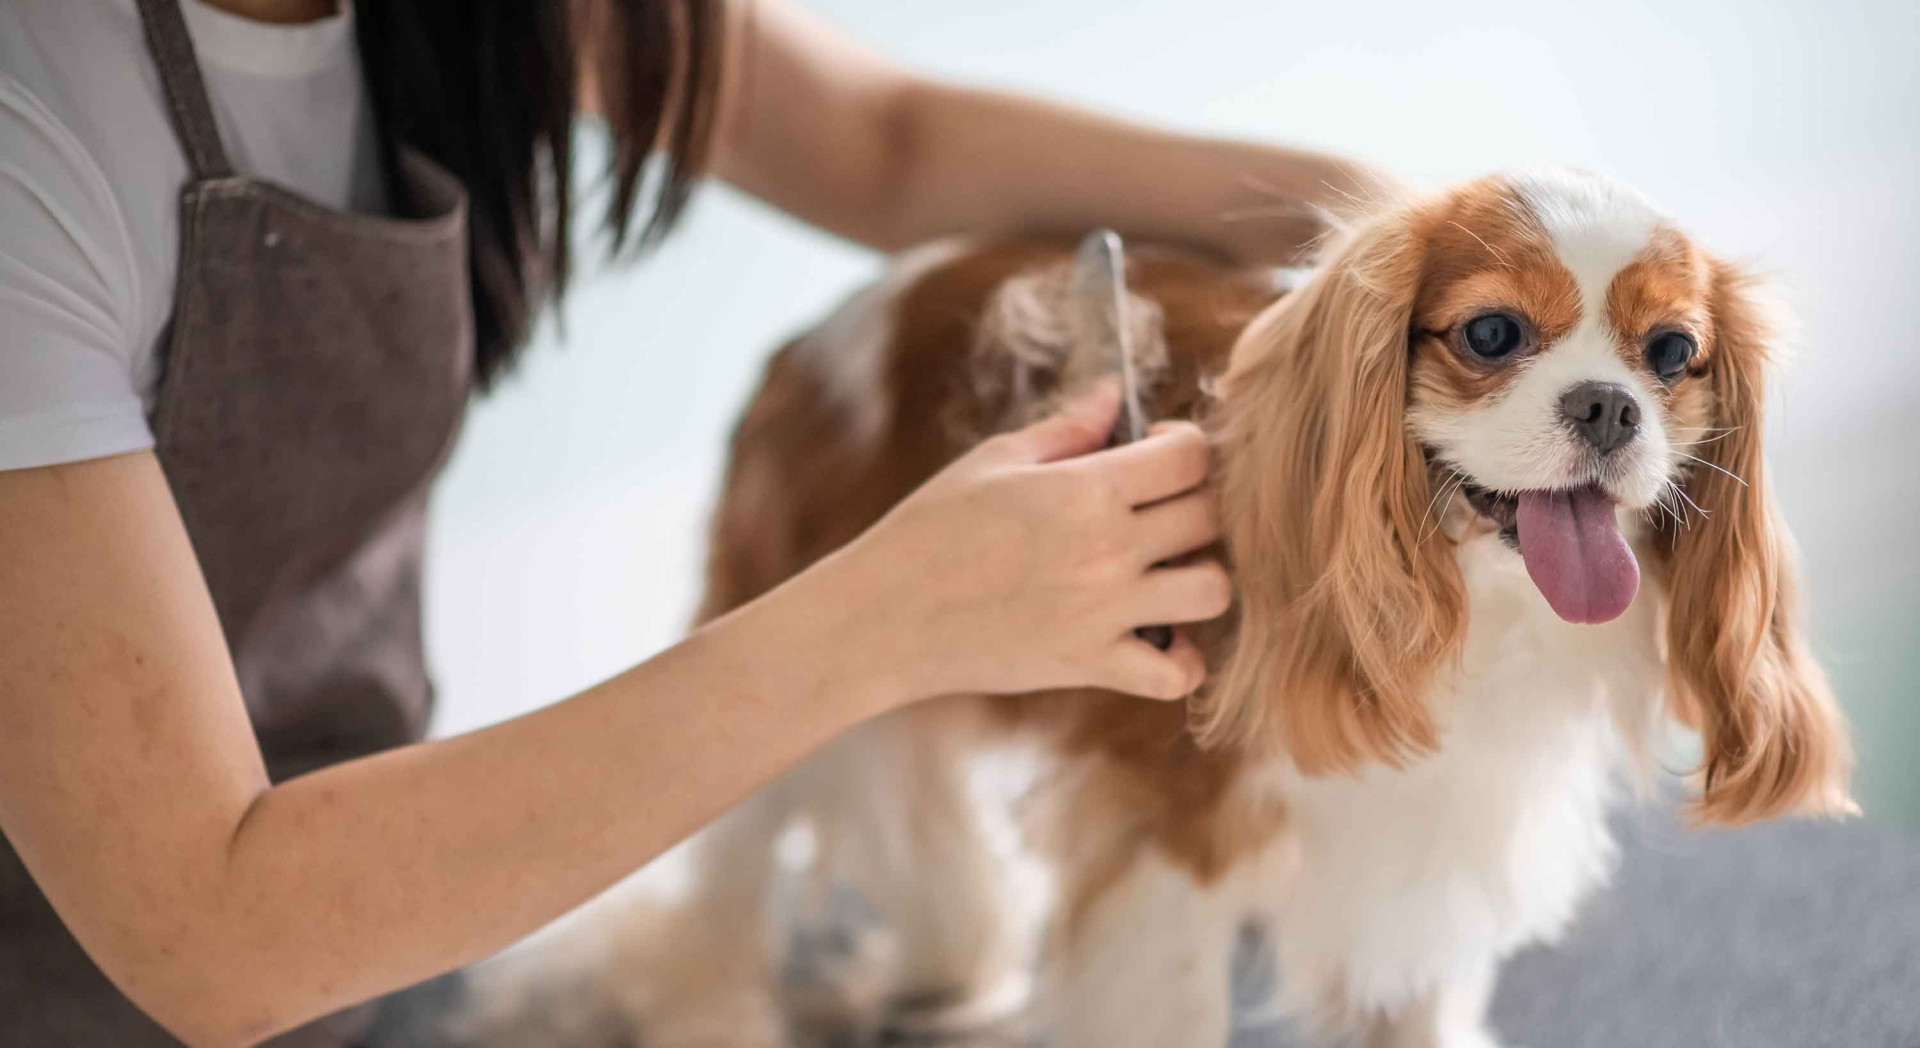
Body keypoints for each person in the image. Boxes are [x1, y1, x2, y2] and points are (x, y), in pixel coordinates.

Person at [0, 1, 1378, 1044]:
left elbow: (885, 146)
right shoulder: (36, 135)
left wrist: (1380, 232)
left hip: (397, 928)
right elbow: (210, 930)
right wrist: (890, 617)